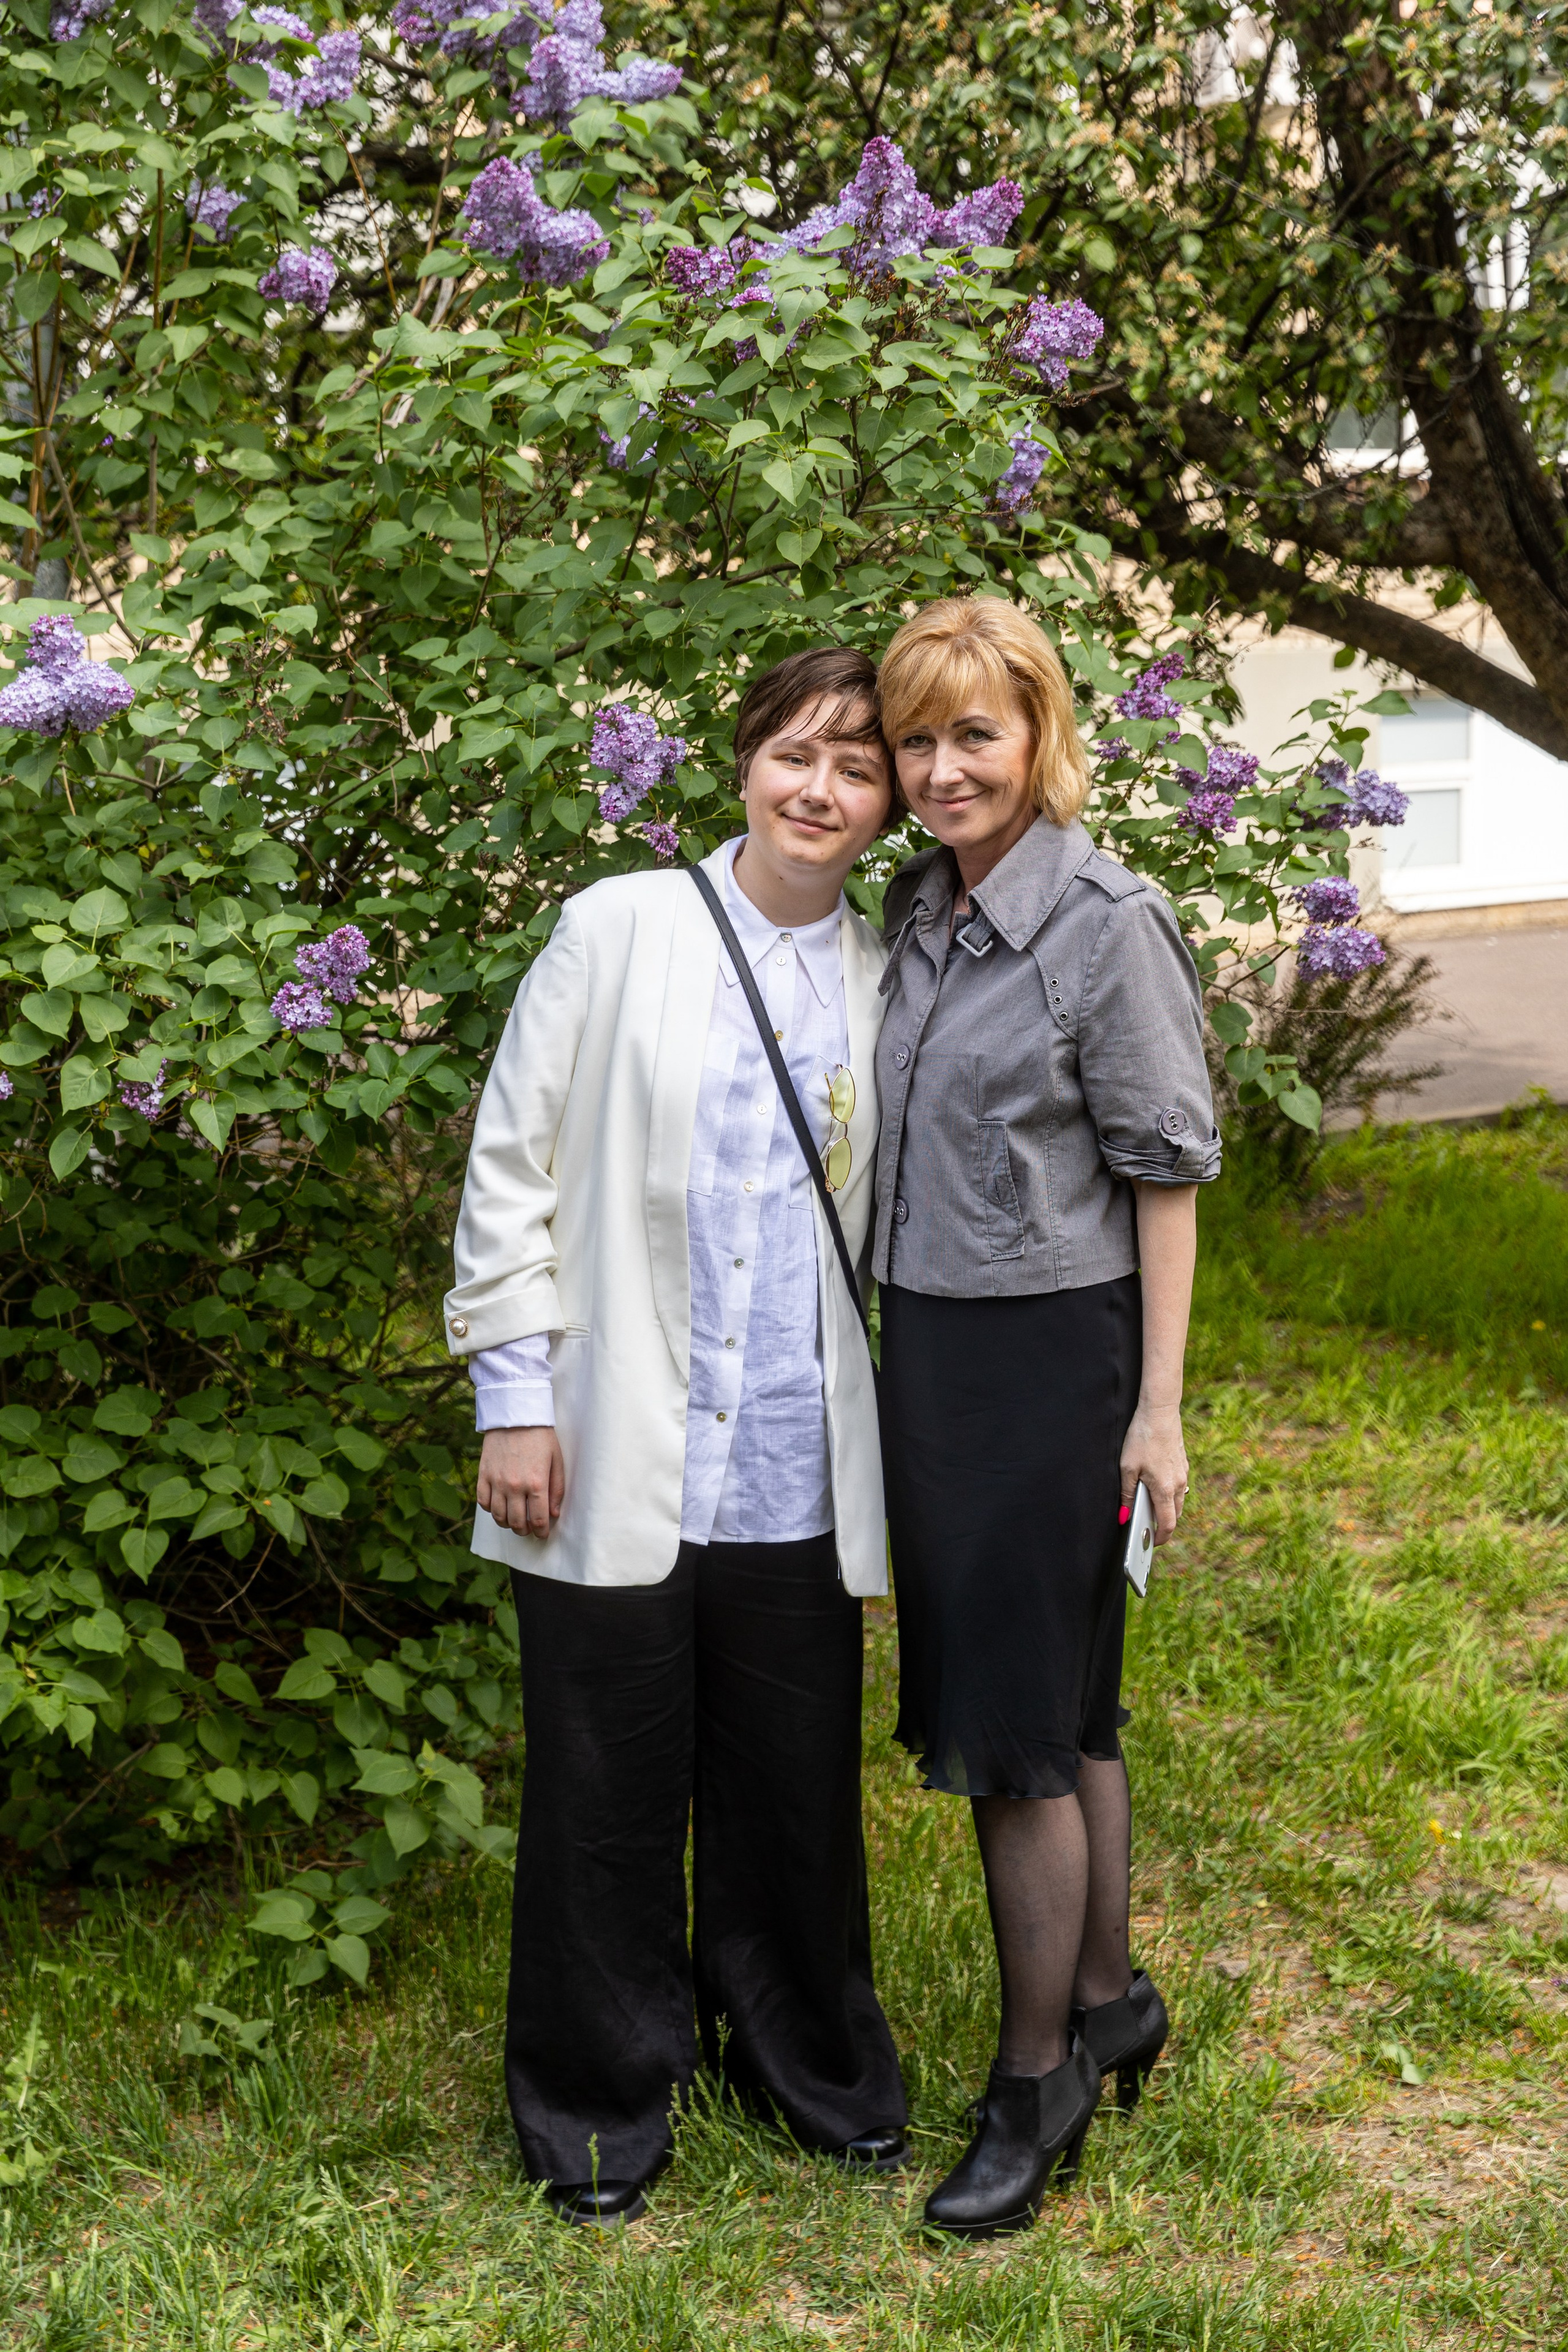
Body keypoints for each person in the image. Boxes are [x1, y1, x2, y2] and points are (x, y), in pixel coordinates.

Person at [442, 647, 907, 2225]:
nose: (819, 791)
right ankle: (594, 2111)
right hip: (607, 1434)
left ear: (890, 805)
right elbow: (510, 1168)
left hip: (790, 1451)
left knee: (793, 1792)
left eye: (858, 769)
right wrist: (516, 1399)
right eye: (795, 754)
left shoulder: (887, 977)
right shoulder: (618, 927)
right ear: (744, 761)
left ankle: (806, 2069)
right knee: (604, 1793)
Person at [870, 598, 1220, 2239]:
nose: (942, 770)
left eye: (975, 735)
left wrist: (1158, 1410)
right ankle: (1110, 2002)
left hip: (1049, 1358)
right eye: (915, 741)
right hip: (935, 1345)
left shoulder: (1105, 921)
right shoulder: (920, 902)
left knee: (1013, 1735)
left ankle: (1034, 2087)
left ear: (1039, 734)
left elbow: (1167, 1173)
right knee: (1071, 1709)